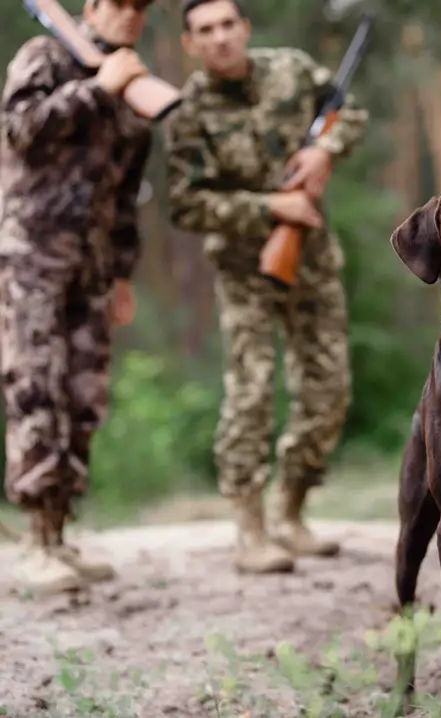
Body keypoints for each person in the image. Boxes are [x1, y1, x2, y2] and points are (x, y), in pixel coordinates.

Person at [165, 0, 367, 575]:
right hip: (244, 268)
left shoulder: (293, 70)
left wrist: (325, 151)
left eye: (229, 25)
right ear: (190, 43)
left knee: (330, 390)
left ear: (245, 29)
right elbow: (184, 203)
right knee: (251, 394)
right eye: (206, 30)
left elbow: (349, 113)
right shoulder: (188, 113)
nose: (221, 37)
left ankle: (291, 513)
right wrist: (269, 205)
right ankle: (250, 530)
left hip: (314, 257)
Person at [0, 0, 157, 595]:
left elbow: (123, 202)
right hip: (32, 259)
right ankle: (36, 541)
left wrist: (121, 274)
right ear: (91, 8)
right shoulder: (44, 57)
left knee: (83, 397)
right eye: (119, 5)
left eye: (141, 8)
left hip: (91, 271)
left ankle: (61, 532)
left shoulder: (133, 95)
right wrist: (97, 90)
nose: (131, 16)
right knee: (36, 386)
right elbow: (18, 129)